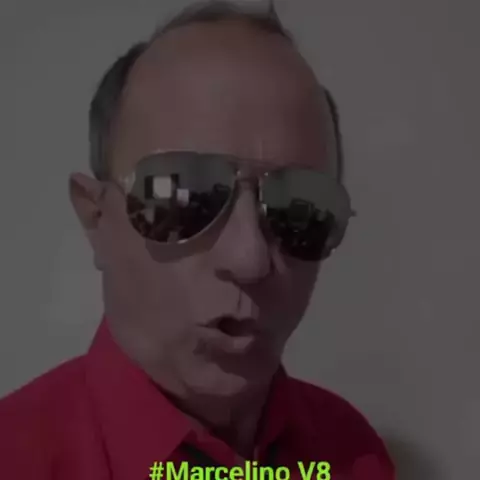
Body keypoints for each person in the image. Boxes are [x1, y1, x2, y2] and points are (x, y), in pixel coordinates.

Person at [0, 2, 395, 479]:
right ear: (96, 218)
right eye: (184, 195)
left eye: (300, 208)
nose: (250, 258)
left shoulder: (352, 452)